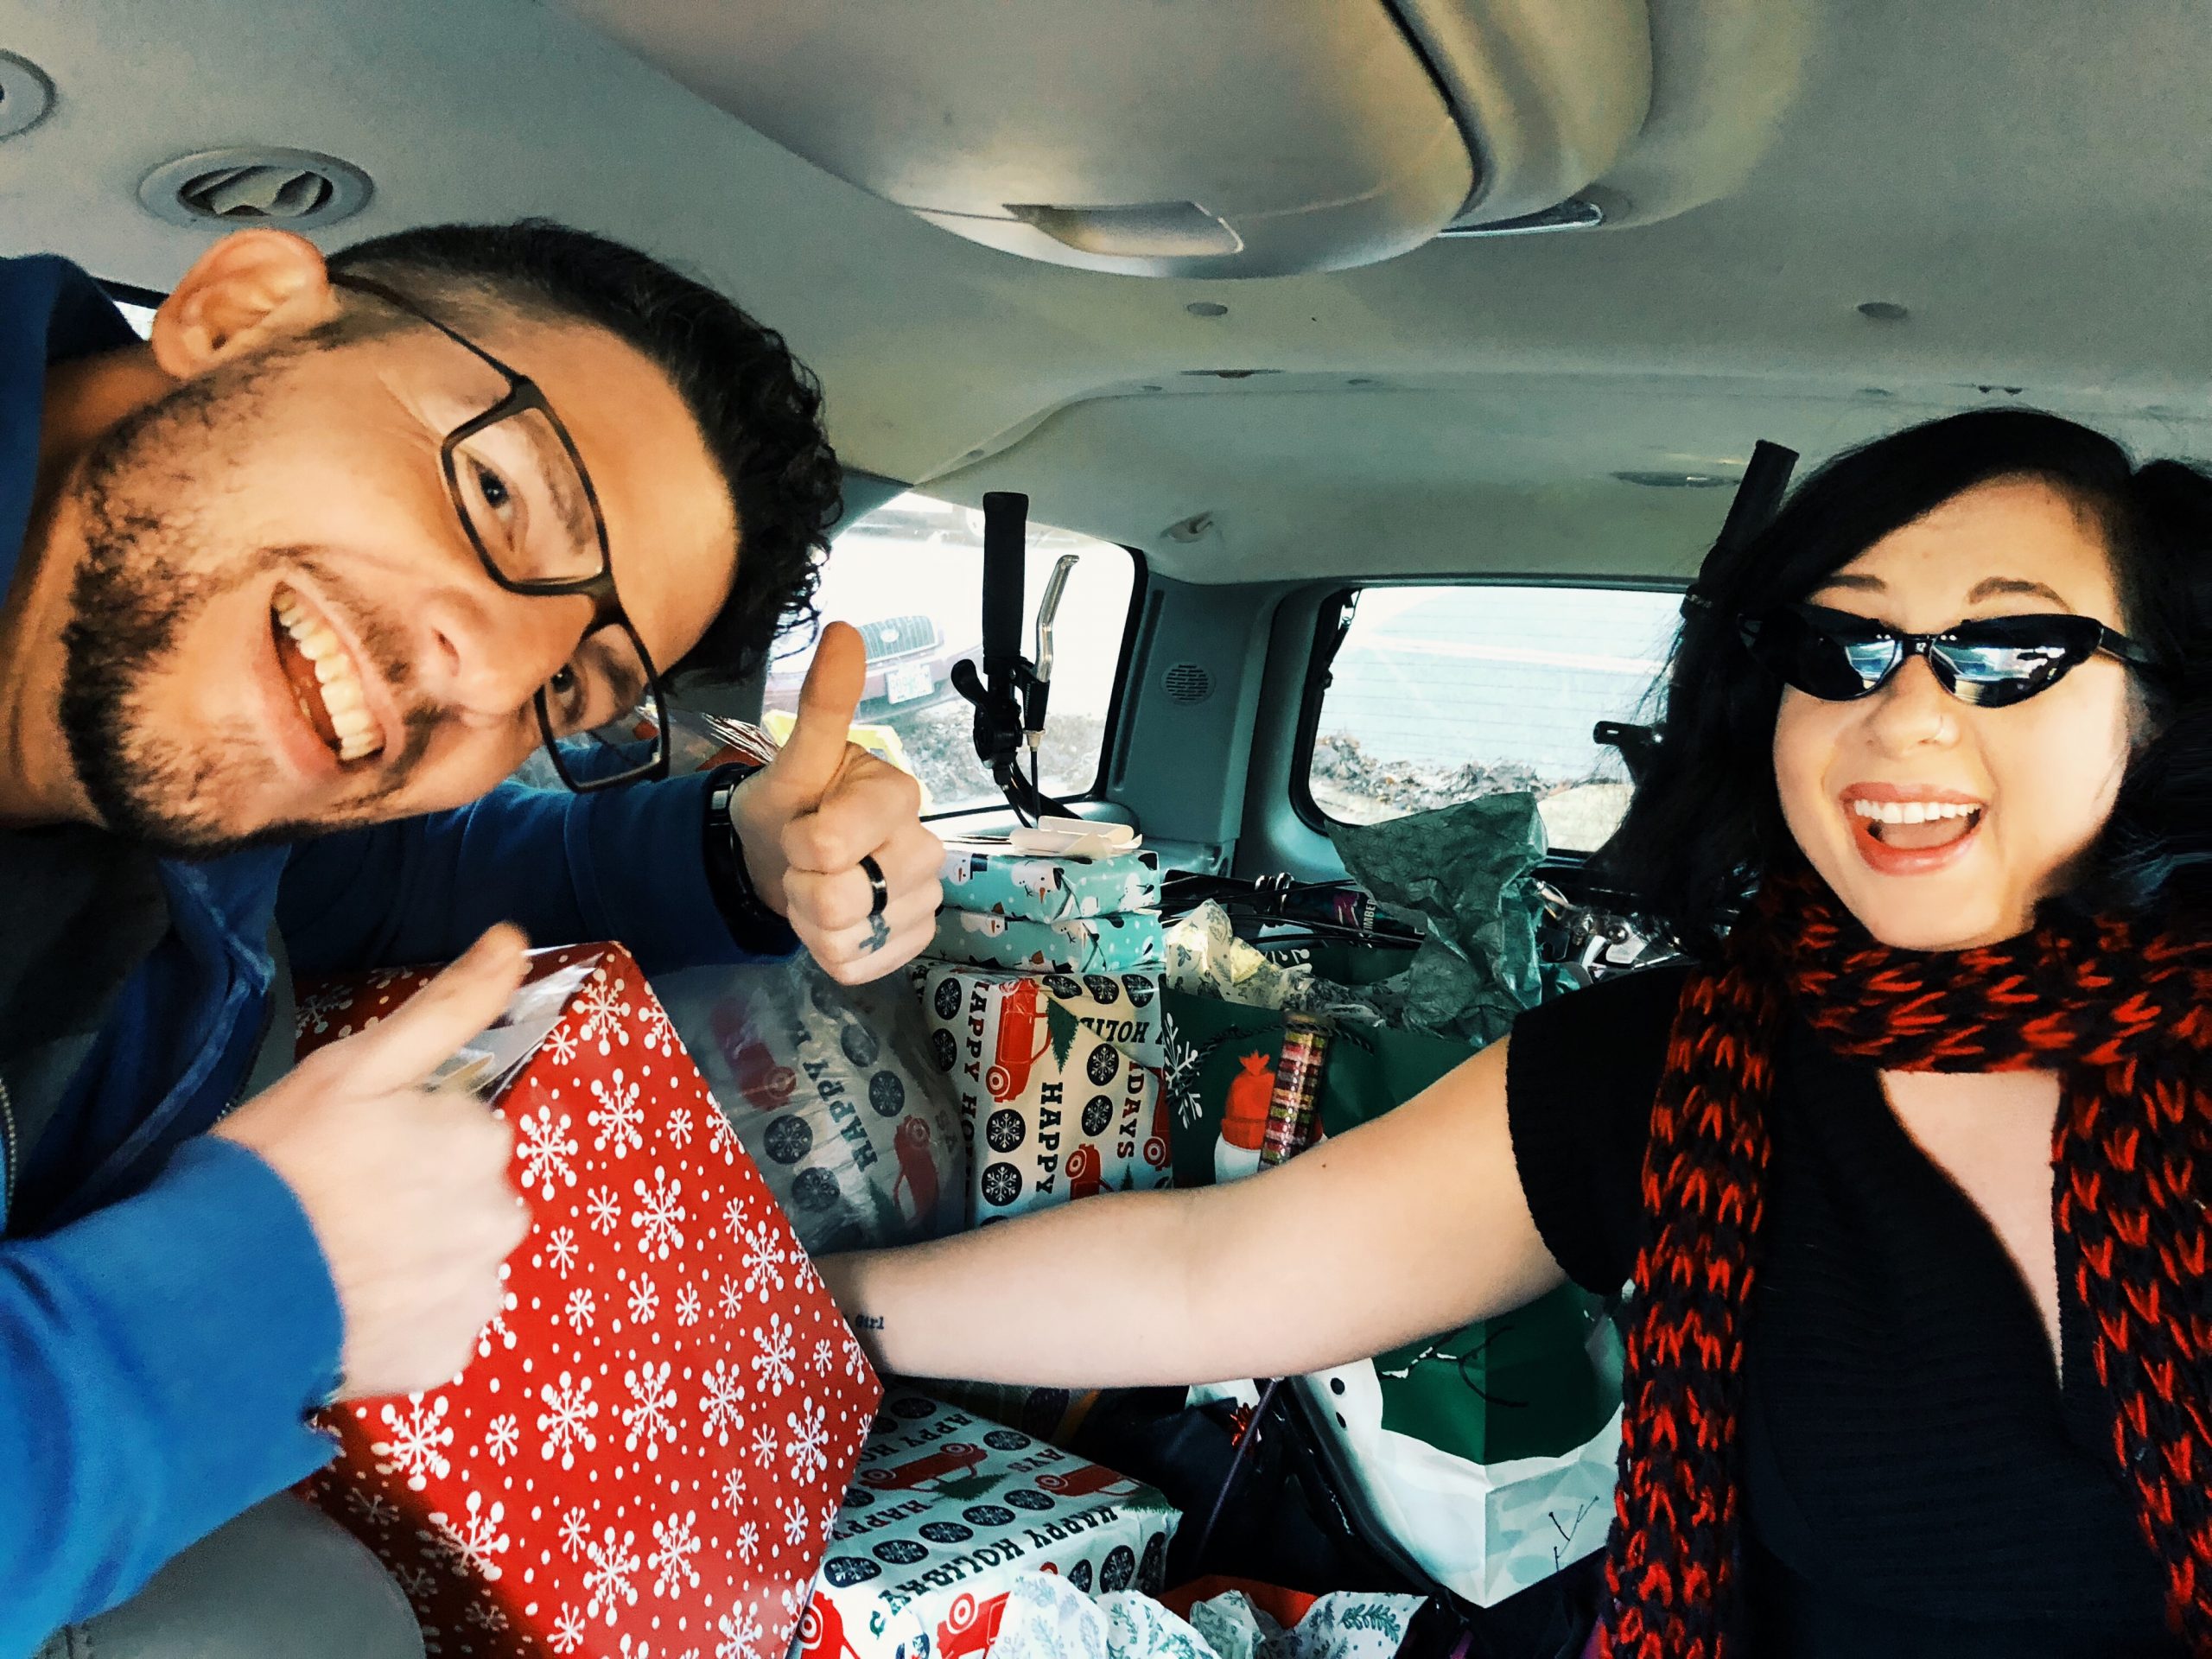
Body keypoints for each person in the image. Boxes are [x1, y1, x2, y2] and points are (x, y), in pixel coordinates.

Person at [823, 409, 2212, 1656]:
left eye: (2010, 652)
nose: (1903, 716)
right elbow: (1216, 1275)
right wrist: (790, 1301)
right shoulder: (1681, 1068)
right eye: (1837, 647)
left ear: (2159, 706)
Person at [0, 222, 945, 1655]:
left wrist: (732, 851)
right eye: (499, 497)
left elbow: (390, 878)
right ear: (238, 314)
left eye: (569, 694)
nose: (491, 678)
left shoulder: (184, 807)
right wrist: (252, 1292)